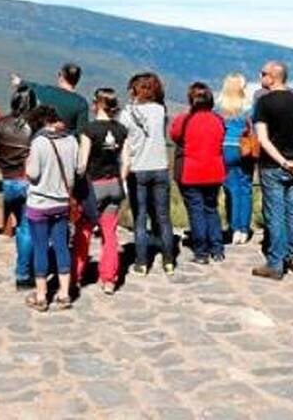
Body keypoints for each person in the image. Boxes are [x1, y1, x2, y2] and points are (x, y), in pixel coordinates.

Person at [252, 62, 293, 280]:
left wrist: (281, 161)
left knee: (275, 213)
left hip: (272, 166)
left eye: (263, 74)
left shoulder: (263, 103)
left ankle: (275, 263)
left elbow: (263, 138)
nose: (260, 76)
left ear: (272, 77)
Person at [118, 72, 176, 276]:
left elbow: (122, 138)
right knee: (163, 217)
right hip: (160, 167)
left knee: (140, 218)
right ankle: (169, 261)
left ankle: (142, 262)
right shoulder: (161, 111)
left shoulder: (127, 113)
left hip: (137, 169)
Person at [23, 105, 78, 311]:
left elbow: (33, 174)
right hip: (62, 202)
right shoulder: (71, 140)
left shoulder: (39, 142)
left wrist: (27, 164)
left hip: (40, 202)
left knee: (40, 248)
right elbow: (77, 170)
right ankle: (64, 293)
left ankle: (41, 295)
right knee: (62, 246)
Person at [74, 89, 128, 295]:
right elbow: (127, 162)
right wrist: (119, 179)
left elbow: (82, 164)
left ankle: (76, 276)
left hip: (93, 186)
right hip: (114, 183)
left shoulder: (89, 129)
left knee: (84, 232)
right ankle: (109, 279)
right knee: (110, 233)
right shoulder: (122, 130)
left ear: (97, 104)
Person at [171, 82, 226, 265]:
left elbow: (174, 135)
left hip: (190, 172)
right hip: (214, 171)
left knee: (196, 211)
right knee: (211, 209)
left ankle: (201, 252)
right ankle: (217, 249)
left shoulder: (184, 120)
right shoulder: (218, 120)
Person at [0, 87, 36, 289]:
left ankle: (23, 265)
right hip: (27, 183)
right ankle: (23, 274)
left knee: (20, 228)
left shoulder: (2, 124)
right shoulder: (35, 127)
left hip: (8, 182)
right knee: (26, 229)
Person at [219, 73, 255, 244]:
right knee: (245, 188)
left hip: (226, 148)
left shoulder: (220, 108)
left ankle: (233, 228)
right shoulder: (249, 107)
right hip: (245, 148)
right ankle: (243, 229)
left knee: (231, 189)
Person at [11, 63, 90, 135]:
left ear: (60, 75)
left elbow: (31, 86)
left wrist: (20, 82)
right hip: (63, 142)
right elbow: (81, 132)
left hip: (35, 138)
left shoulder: (44, 90)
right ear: (77, 80)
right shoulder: (81, 103)